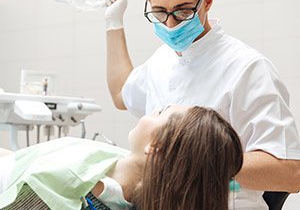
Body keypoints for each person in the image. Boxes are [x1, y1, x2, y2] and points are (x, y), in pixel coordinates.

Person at [103, 0, 300, 208]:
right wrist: (113, 24)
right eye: (159, 12)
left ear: (207, 1)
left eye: (183, 11)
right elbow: (120, 94)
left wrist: (193, 159)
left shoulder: (247, 68)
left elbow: (291, 173)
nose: (171, 24)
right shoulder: (162, 60)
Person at [0, 106, 243, 210]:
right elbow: (23, 162)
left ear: (155, 147)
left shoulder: (78, 192)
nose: (151, 112)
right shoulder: (116, 165)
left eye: (160, 112)